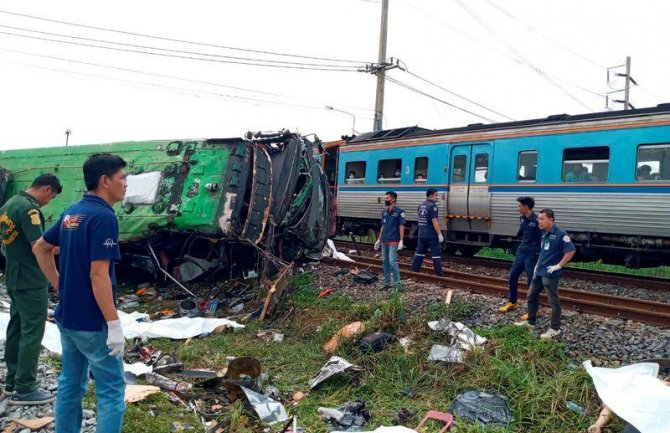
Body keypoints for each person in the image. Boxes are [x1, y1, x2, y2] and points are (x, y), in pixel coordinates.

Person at [33, 153, 127, 433]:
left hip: (67, 317)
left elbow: (41, 247)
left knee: (71, 384)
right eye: (122, 178)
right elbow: (98, 276)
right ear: (105, 181)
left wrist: (59, 283)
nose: (126, 184)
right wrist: (113, 324)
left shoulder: (73, 211)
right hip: (91, 321)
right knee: (111, 389)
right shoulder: (103, 218)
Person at [1, 174, 62, 404]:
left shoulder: (9, 204)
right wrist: (58, 246)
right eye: (52, 196)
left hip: (14, 276)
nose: (49, 201)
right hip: (31, 279)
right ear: (46, 189)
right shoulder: (30, 210)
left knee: (16, 328)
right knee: (32, 332)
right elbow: (40, 247)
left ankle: (12, 381)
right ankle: (25, 388)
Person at [515, 209, 575, 339]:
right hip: (540, 271)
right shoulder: (544, 233)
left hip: (550, 273)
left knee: (553, 301)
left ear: (551, 220)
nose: (539, 221)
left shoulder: (560, 234)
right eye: (538, 219)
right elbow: (544, 251)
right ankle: (531, 322)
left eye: (542, 219)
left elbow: (570, 250)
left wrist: (558, 265)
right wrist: (537, 265)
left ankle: (555, 329)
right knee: (531, 295)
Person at [499, 197, 541, 313]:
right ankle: (512, 302)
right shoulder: (522, 218)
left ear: (526, 207)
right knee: (512, 276)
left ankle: (533, 310)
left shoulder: (537, 220)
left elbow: (542, 238)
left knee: (531, 281)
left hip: (532, 253)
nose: (518, 208)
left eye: (519, 206)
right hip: (522, 252)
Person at [374, 191, 405, 290]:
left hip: (394, 240)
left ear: (393, 199)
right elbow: (383, 226)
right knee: (385, 261)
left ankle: (398, 284)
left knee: (392, 261)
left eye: (387, 198)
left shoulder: (399, 212)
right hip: (384, 240)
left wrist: (401, 240)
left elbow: (401, 226)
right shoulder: (384, 211)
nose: (385, 200)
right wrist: (378, 239)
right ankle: (387, 282)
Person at [411, 188, 444, 276]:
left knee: (419, 252)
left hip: (422, 234)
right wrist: (439, 234)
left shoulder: (421, 205)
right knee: (436, 254)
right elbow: (434, 221)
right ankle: (438, 273)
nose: (437, 197)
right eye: (436, 195)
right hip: (431, 235)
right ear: (431, 195)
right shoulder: (432, 206)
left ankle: (414, 270)